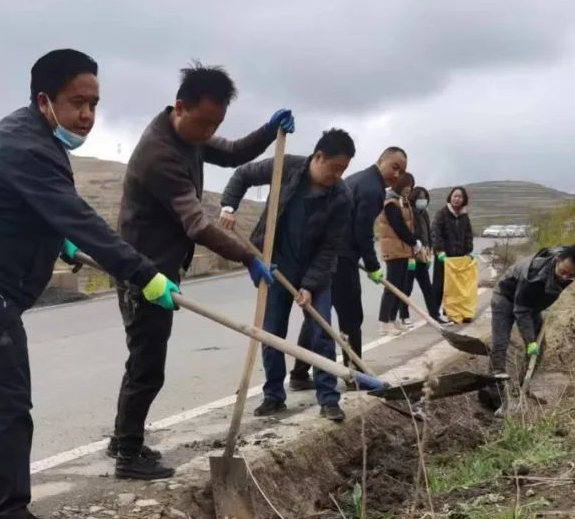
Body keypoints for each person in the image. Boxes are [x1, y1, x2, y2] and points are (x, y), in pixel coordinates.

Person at [0, 49, 181, 519]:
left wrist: (56, 241)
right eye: (77, 102)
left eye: (94, 105)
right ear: (45, 100)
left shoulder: (28, 135)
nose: (87, 115)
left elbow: (28, 208)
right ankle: (6, 516)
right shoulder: (29, 148)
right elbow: (74, 214)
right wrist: (143, 275)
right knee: (4, 400)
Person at [110, 62, 293, 480]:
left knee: (143, 358)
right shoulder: (160, 152)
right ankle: (129, 454)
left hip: (159, 264)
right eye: (206, 122)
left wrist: (269, 130)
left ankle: (123, 437)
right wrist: (248, 255)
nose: (211, 132)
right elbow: (197, 222)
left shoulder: (190, 134)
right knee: (147, 363)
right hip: (144, 271)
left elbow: (232, 153)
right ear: (180, 107)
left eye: (218, 123)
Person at [218, 129, 356, 422]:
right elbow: (242, 175)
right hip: (274, 264)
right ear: (319, 157)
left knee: (322, 335)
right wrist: (229, 206)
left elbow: (331, 246)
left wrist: (309, 285)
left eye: (344, 169)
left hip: (315, 272)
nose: (339, 175)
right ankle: (273, 396)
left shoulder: (342, 196)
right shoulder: (286, 167)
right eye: (336, 168)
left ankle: (329, 399)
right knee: (271, 333)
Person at [288, 147, 408, 390]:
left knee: (318, 317)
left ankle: (300, 374)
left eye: (402, 171)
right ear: (381, 159)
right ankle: (355, 376)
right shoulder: (373, 189)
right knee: (352, 317)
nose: (397, 174)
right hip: (340, 259)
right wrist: (374, 266)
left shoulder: (357, 180)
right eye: (395, 166)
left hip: (325, 254)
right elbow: (362, 232)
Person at [479, 244, 575, 411]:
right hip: (506, 297)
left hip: (530, 304)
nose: (566, 277)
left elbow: (533, 302)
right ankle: (494, 389)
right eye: (563, 272)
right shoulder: (533, 276)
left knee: (540, 347)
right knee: (501, 343)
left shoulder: (566, 267)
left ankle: (522, 387)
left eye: (572, 275)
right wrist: (530, 341)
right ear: (557, 261)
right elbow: (521, 310)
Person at [375, 172, 422, 335]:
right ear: (399, 185)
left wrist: (413, 242)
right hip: (394, 250)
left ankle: (393, 320)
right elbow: (399, 227)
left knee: (401, 286)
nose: (408, 190)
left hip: (403, 250)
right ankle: (383, 322)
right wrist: (413, 242)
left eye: (411, 187)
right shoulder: (390, 203)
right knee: (392, 286)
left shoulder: (403, 202)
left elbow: (409, 226)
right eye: (407, 186)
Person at [431, 186, 475, 323]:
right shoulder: (442, 213)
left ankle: (453, 312)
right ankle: (433, 313)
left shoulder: (464, 216)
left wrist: (469, 251)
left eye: (460, 197)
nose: (457, 199)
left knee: (457, 287)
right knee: (439, 285)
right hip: (443, 257)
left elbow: (468, 234)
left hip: (458, 259)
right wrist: (439, 250)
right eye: (455, 196)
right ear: (450, 197)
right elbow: (436, 233)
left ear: (464, 200)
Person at [401, 185, 439, 324]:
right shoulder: (409, 212)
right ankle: (403, 316)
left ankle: (434, 315)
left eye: (424, 198)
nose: (422, 200)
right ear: (413, 198)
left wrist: (430, 251)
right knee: (407, 286)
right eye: (419, 198)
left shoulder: (425, 214)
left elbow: (428, 234)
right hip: (411, 256)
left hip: (423, 256)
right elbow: (407, 233)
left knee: (427, 287)